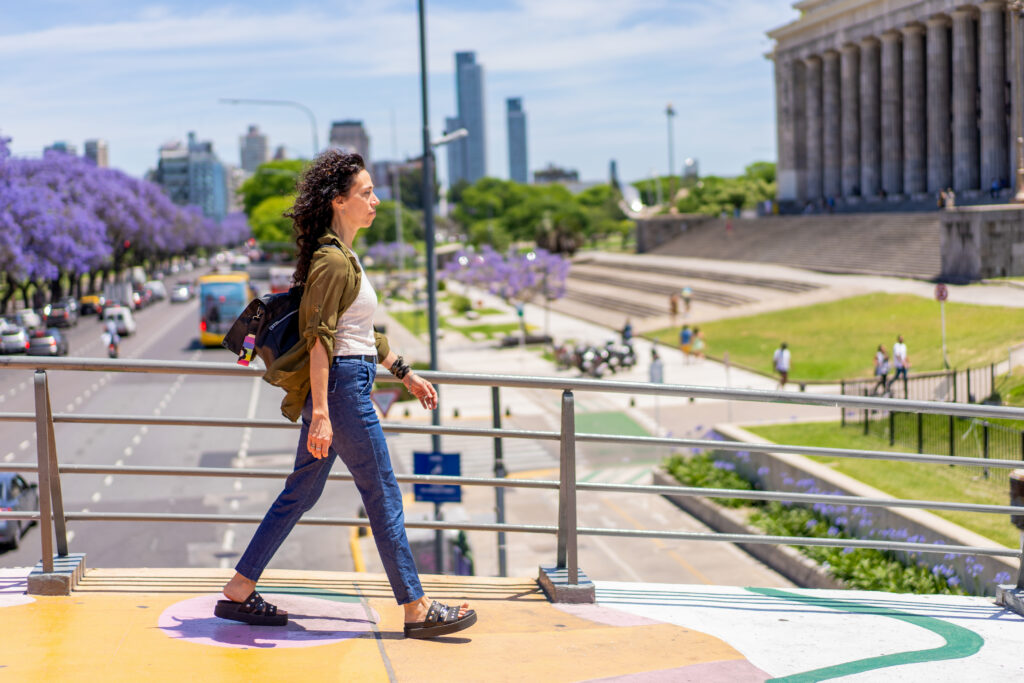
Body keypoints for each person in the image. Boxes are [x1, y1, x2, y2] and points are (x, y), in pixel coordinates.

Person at [216, 151, 476, 639]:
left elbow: (359, 333)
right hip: (341, 389)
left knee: (301, 493)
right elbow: (320, 341)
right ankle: (416, 608)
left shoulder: (345, 256)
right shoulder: (333, 261)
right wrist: (321, 414)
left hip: (345, 382)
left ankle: (238, 588)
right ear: (339, 201)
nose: (375, 200)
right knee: (383, 494)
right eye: (366, 193)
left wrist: (404, 372)